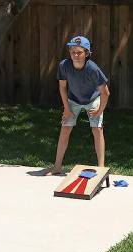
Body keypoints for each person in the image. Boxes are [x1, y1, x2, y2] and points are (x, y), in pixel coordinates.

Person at [48, 35, 110, 175]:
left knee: (97, 130)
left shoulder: (93, 69)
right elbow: (62, 87)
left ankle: (101, 169)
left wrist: (100, 110)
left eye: (79, 52)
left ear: (87, 53)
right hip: (73, 100)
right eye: (73, 52)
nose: (75, 55)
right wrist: (67, 109)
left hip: (93, 99)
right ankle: (57, 167)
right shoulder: (64, 65)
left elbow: (105, 93)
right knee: (65, 129)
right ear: (69, 52)